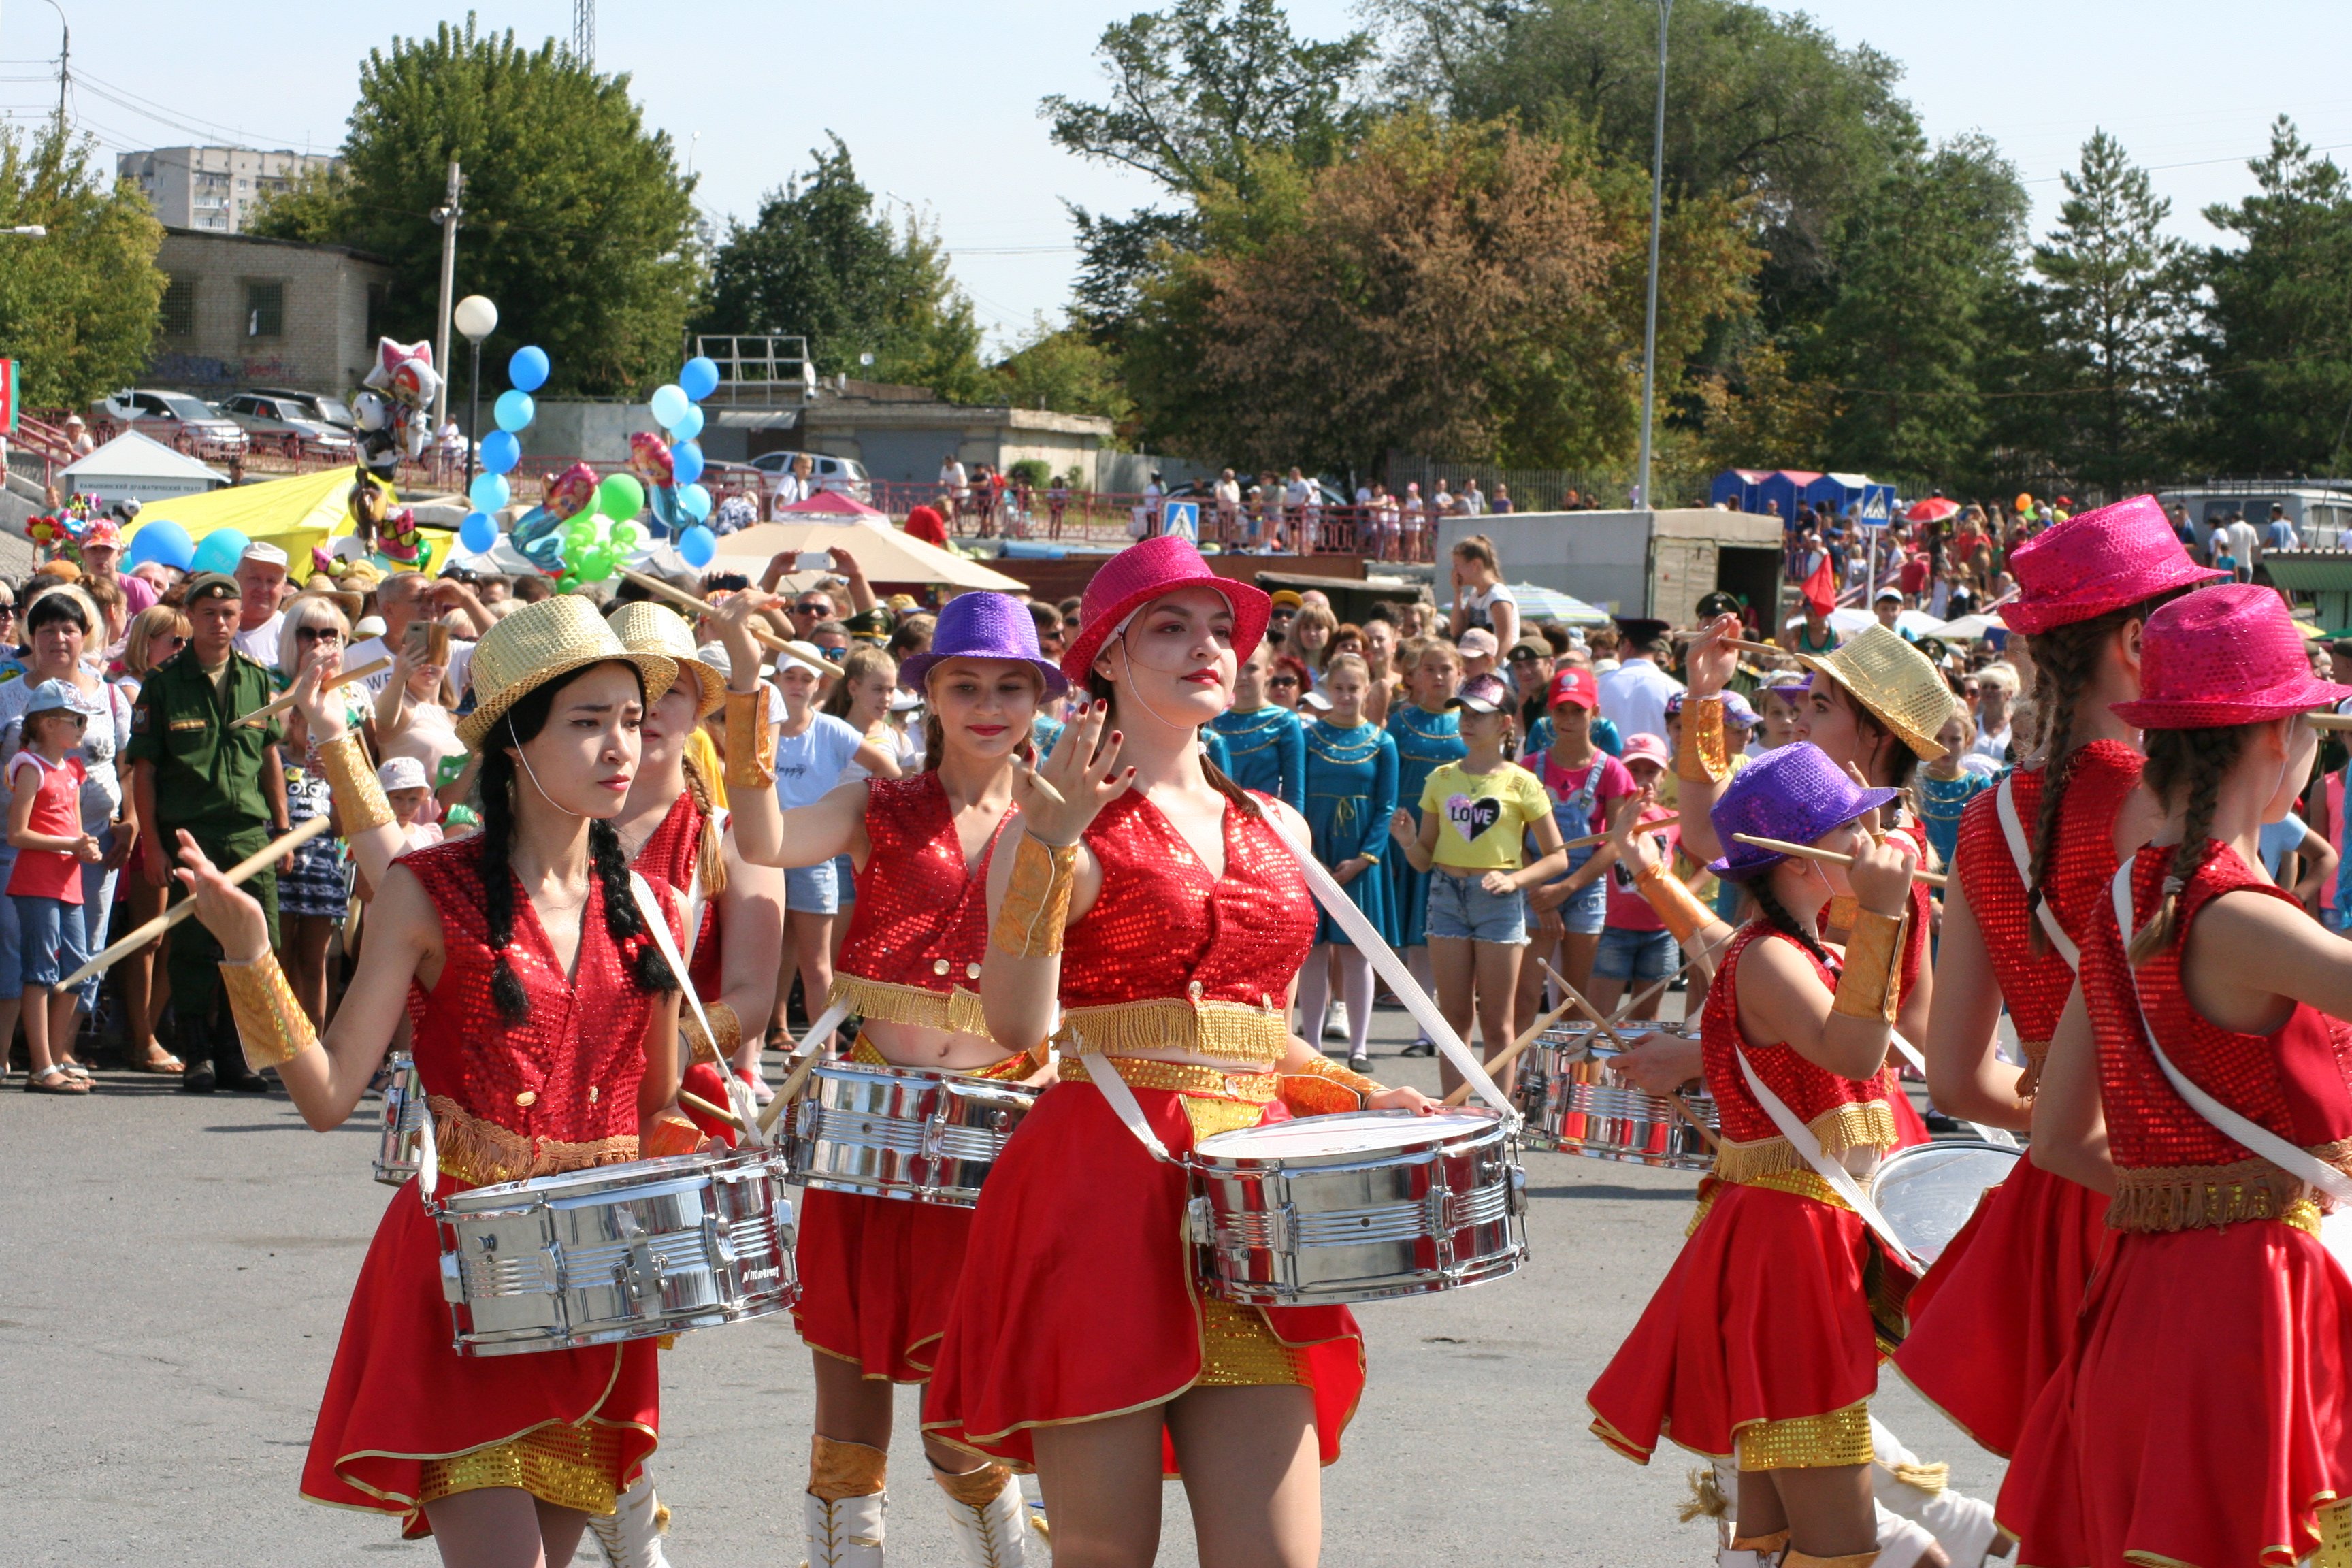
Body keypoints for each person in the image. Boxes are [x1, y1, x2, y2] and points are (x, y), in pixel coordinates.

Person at [923, 536, 1437, 1568]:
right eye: (1171, 626)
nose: (1208, 646)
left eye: (1220, 629)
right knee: (1105, 1553)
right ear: (1106, 656)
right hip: (1102, 1194)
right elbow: (1018, 1027)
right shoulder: (1051, 817)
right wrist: (1051, 848)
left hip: (1253, 1210)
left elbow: (1258, 1033)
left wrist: (1355, 1088)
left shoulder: (1275, 823)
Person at [186, 594, 698, 1558]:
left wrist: (722, 1134)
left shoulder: (655, 906)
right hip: (467, 1275)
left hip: (598, 1286)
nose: (621, 747)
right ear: (514, 742)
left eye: (631, 721)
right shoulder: (431, 892)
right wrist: (253, 958)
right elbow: (330, 1091)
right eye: (587, 723)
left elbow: (660, 1110)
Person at [2005, 584, 2352, 1565]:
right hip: (2257, 1312)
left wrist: (2187, 1204)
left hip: (2142, 1307)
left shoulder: (2125, 899)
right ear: (2279, 740)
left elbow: (2059, 1139)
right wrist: (2248, 1211)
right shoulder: (2240, 918)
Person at [723, 591, 1058, 1566]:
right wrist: (748, 684)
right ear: (930, 695)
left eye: (1009, 686)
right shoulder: (881, 804)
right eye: (965, 684)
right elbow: (764, 843)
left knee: (963, 1405)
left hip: (998, 1136)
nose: (987, 704)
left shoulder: (1057, 814)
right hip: (866, 1122)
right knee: (849, 1389)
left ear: (1040, 699)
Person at [1904, 495, 2220, 1463]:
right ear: (2135, 639)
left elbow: (1955, 1082)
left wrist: (2055, 1113)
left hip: (2060, 1204)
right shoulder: (2168, 806)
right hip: (2178, 1197)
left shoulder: (1993, 821)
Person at [1588, 745, 1921, 1567]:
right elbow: (1852, 1050)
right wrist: (1882, 915)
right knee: (1837, 1544)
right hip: (1791, 1252)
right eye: (1858, 826)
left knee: (1775, 1534)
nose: (1876, 836)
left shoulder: (1790, 947)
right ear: (1807, 861)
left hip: (1795, 1236)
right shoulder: (1771, 955)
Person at [127, 574, 288, 1094]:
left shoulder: (257, 679)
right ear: (191, 618)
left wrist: (281, 826)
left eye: (229, 614)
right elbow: (146, 771)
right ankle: (198, 1049)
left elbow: (270, 757)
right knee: (195, 944)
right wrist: (153, 844)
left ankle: (238, 1052)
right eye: (209, 613)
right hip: (188, 832)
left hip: (246, 831)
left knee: (254, 942)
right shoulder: (163, 682)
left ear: (240, 619)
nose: (219, 623)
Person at [1389, 672, 1569, 1097]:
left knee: (1497, 1021)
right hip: (1445, 895)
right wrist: (1408, 841)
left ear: (1506, 723)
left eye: (1480, 715)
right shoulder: (1442, 778)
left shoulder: (1522, 781)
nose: (1467, 722)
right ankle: (1454, 1119)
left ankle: (1497, 1119)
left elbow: (1557, 857)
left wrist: (1516, 881)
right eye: (1464, 713)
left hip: (1498, 903)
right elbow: (1422, 860)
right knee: (1451, 1019)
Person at [768, 638, 895, 1051]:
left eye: (807, 677)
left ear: (819, 683)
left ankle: (826, 1058)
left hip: (814, 853)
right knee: (764, 958)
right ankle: (763, 1050)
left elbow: (889, 772)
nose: (799, 685)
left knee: (817, 963)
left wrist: (855, 812)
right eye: (791, 676)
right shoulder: (761, 724)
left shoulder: (831, 728)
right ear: (779, 678)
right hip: (764, 851)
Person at [1516, 666, 1636, 1028]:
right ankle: (1513, 1078)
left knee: (1574, 995)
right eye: (1561, 710)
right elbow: (1515, 839)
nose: (1568, 719)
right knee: (1525, 992)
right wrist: (1540, 891)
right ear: (1549, 713)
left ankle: (1566, 1081)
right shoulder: (1528, 768)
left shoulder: (1613, 771)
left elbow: (1616, 843)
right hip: (1536, 883)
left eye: (1578, 710)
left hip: (1586, 886)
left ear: (1594, 713)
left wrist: (1566, 888)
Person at [1297, 651, 1398, 1073]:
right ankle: (1313, 1044)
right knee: (1314, 953)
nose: (1345, 696)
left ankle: (1358, 1047)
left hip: (1361, 863)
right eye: (1338, 688)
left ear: (1367, 690)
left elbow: (1386, 806)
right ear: (1327, 689)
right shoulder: (1310, 737)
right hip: (1317, 855)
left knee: (1356, 952)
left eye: (1353, 689)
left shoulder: (1381, 741)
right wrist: (1309, 855)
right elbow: (1297, 799)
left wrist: (1364, 858)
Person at [9, 681, 100, 1094]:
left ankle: (57, 1054)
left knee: (78, 969)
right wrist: (71, 845)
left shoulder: (72, 769)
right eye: (76, 720)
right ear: (46, 724)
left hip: (69, 883)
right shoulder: (30, 766)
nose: (83, 728)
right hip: (37, 882)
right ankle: (42, 1065)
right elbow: (18, 834)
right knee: (41, 971)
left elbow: (77, 830)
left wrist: (87, 849)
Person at [274, 597, 359, 1031]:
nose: (321, 642)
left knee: (318, 960)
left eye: (331, 635)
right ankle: (284, 1044)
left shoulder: (354, 696)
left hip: (326, 860)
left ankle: (316, 1043)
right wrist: (306, 678)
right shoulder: (275, 688)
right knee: (280, 955)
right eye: (308, 633)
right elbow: (273, 726)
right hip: (283, 855)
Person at [1385, 636, 1466, 1055]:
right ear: (1415, 675)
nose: (1438, 676)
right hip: (1412, 835)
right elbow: (1390, 780)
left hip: (1460, 837)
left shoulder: (1468, 721)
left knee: (1449, 932)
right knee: (1419, 936)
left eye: (1446, 669)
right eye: (1430, 669)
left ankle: (1450, 1028)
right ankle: (1423, 1032)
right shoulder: (1401, 722)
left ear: (1460, 674)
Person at [1591, 734, 1680, 1019]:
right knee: (1598, 1020)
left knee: (1644, 1022)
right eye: (1634, 770)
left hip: (1661, 932)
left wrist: (1683, 894)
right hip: (1614, 929)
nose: (1643, 778)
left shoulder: (1672, 819)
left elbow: (1707, 863)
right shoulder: (1609, 819)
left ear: (1664, 775)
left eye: (1651, 771)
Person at [1209, 640, 1306, 809]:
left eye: (1252, 668)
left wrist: (1291, 832)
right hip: (1221, 818)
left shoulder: (1285, 721)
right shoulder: (1213, 722)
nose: (1243, 676)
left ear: (1269, 673)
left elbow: (1295, 792)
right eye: (1238, 667)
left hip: (1267, 817)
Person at [1595, 616, 1684, 747]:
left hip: (1608, 765)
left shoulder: (1600, 684)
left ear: (1627, 645)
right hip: (1658, 765)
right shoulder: (1675, 689)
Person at [1448, 535, 1518, 651]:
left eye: (1457, 565)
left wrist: (1492, 668)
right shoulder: (1475, 595)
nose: (1455, 572)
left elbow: (1505, 643)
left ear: (1475, 565)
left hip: (1498, 665)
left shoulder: (1498, 597)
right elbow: (1456, 631)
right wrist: (1457, 593)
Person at [230, 542, 291, 667]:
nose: (263, 589)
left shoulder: (290, 634)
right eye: (255, 579)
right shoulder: (215, 623)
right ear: (236, 579)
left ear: (283, 587)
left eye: (272, 581)